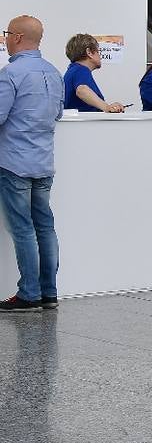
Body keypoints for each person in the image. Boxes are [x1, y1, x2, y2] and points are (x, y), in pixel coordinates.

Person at [0, 16, 64, 313]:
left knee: (23, 229)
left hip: (14, 162)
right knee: (45, 227)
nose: (5, 39)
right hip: (43, 161)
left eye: (7, 34)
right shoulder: (53, 72)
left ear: (17, 37)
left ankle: (29, 293)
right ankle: (49, 293)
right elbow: (57, 115)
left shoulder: (11, 73)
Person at [62, 34, 125, 113]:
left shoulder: (73, 71)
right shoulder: (81, 70)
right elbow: (82, 90)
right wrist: (107, 107)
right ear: (89, 52)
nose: (100, 57)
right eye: (98, 52)